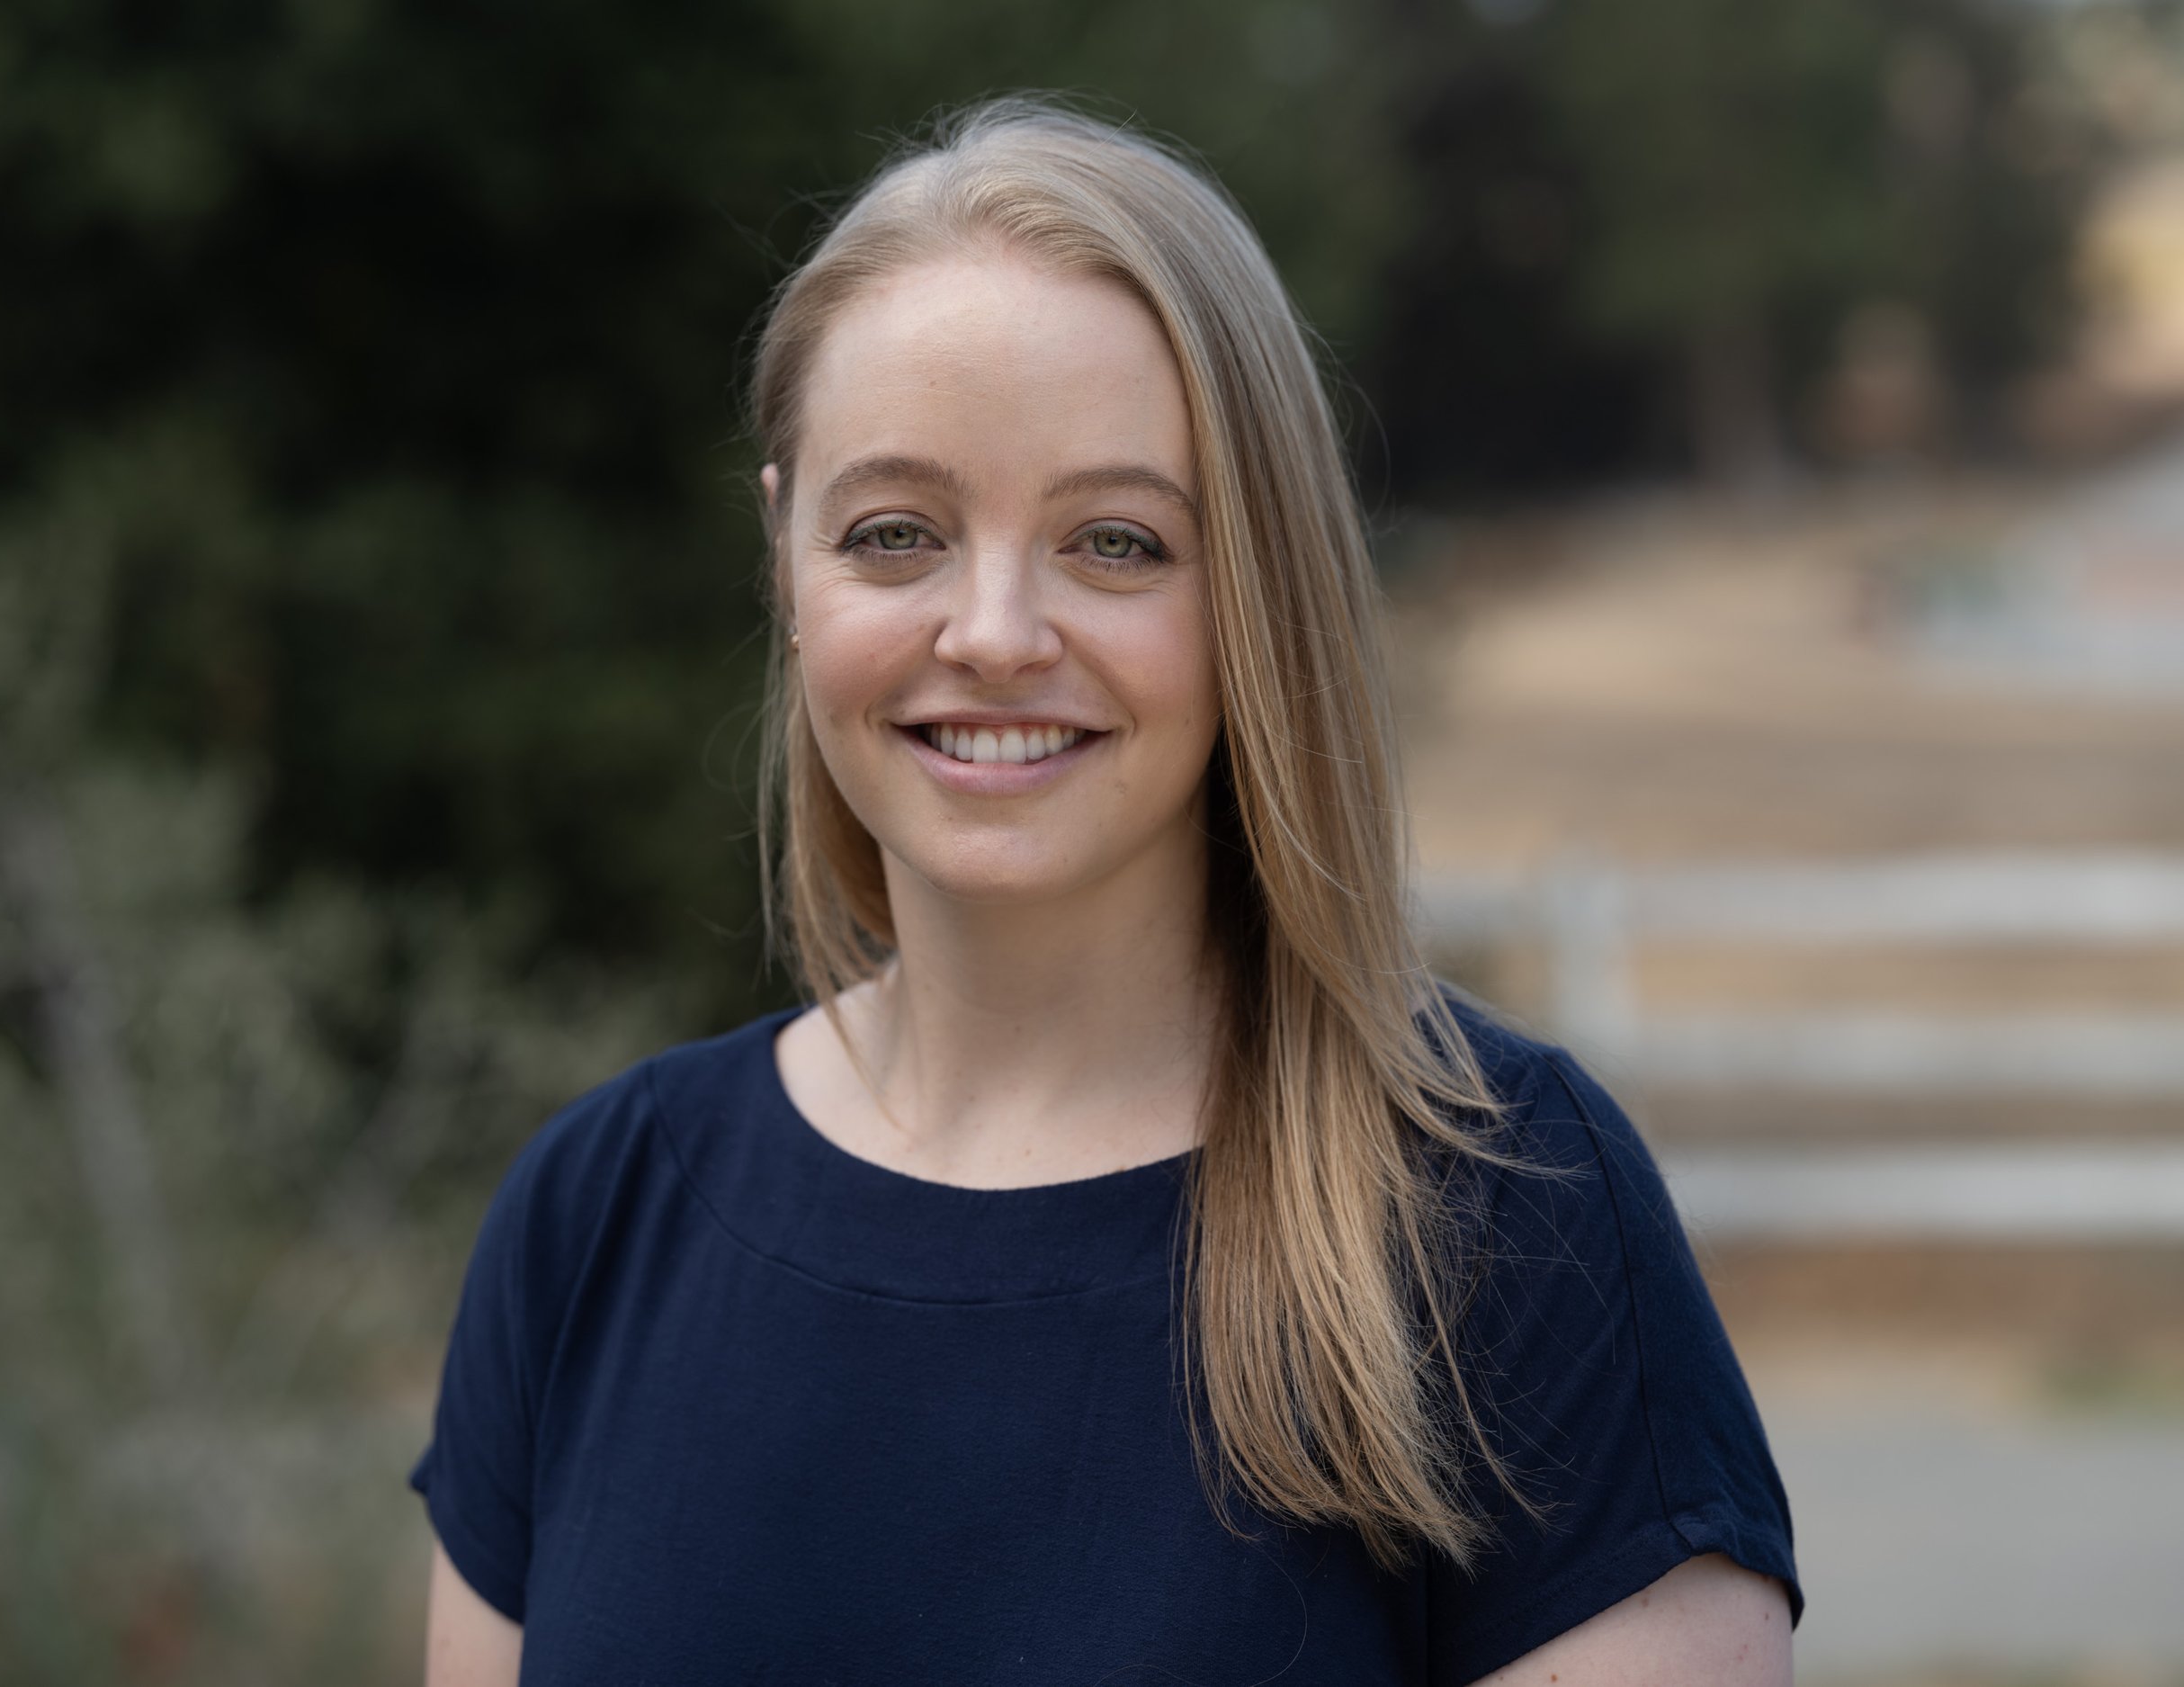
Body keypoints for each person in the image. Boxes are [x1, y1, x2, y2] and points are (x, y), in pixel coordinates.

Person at [413, 98, 1800, 1685]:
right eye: (895, 533)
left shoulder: (1507, 1219)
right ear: (783, 558)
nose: (995, 630)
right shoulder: (591, 1223)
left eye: (1119, 543)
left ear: (1258, 593)